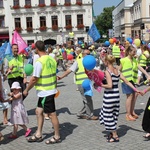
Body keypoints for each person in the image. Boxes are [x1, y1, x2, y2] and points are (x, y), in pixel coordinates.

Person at [23, 40, 61, 144]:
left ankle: (57, 136)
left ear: (36, 49)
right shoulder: (52, 59)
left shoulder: (39, 62)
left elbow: (34, 79)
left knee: (52, 114)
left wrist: (26, 90)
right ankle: (38, 134)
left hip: (45, 91)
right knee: (38, 111)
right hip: (49, 90)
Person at [99, 54, 140, 143]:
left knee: (108, 115)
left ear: (106, 62)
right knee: (113, 115)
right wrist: (135, 89)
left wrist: (100, 85)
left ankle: (114, 135)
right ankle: (111, 132)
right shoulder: (117, 71)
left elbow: (109, 85)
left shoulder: (107, 71)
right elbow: (126, 81)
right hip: (116, 96)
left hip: (109, 97)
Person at [58, 49, 98, 120]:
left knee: (87, 99)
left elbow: (96, 71)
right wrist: (61, 76)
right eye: (87, 54)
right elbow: (69, 70)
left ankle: (81, 113)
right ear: (83, 54)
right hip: (81, 83)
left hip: (88, 83)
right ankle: (90, 115)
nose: (89, 55)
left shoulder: (90, 61)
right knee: (87, 99)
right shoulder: (78, 62)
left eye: (89, 53)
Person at [119, 45, 150, 121]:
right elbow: (118, 70)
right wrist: (122, 77)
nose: (135, 53)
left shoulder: (134, 60)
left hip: (132, 80)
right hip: (126, 81)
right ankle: (128, 114)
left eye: (135, 51)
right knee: (129, 97)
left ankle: (132, 112)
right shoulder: (123, 60)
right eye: (133, 52)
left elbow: (139, 67)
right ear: (129, 52)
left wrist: (147, 74)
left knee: (134, 95)